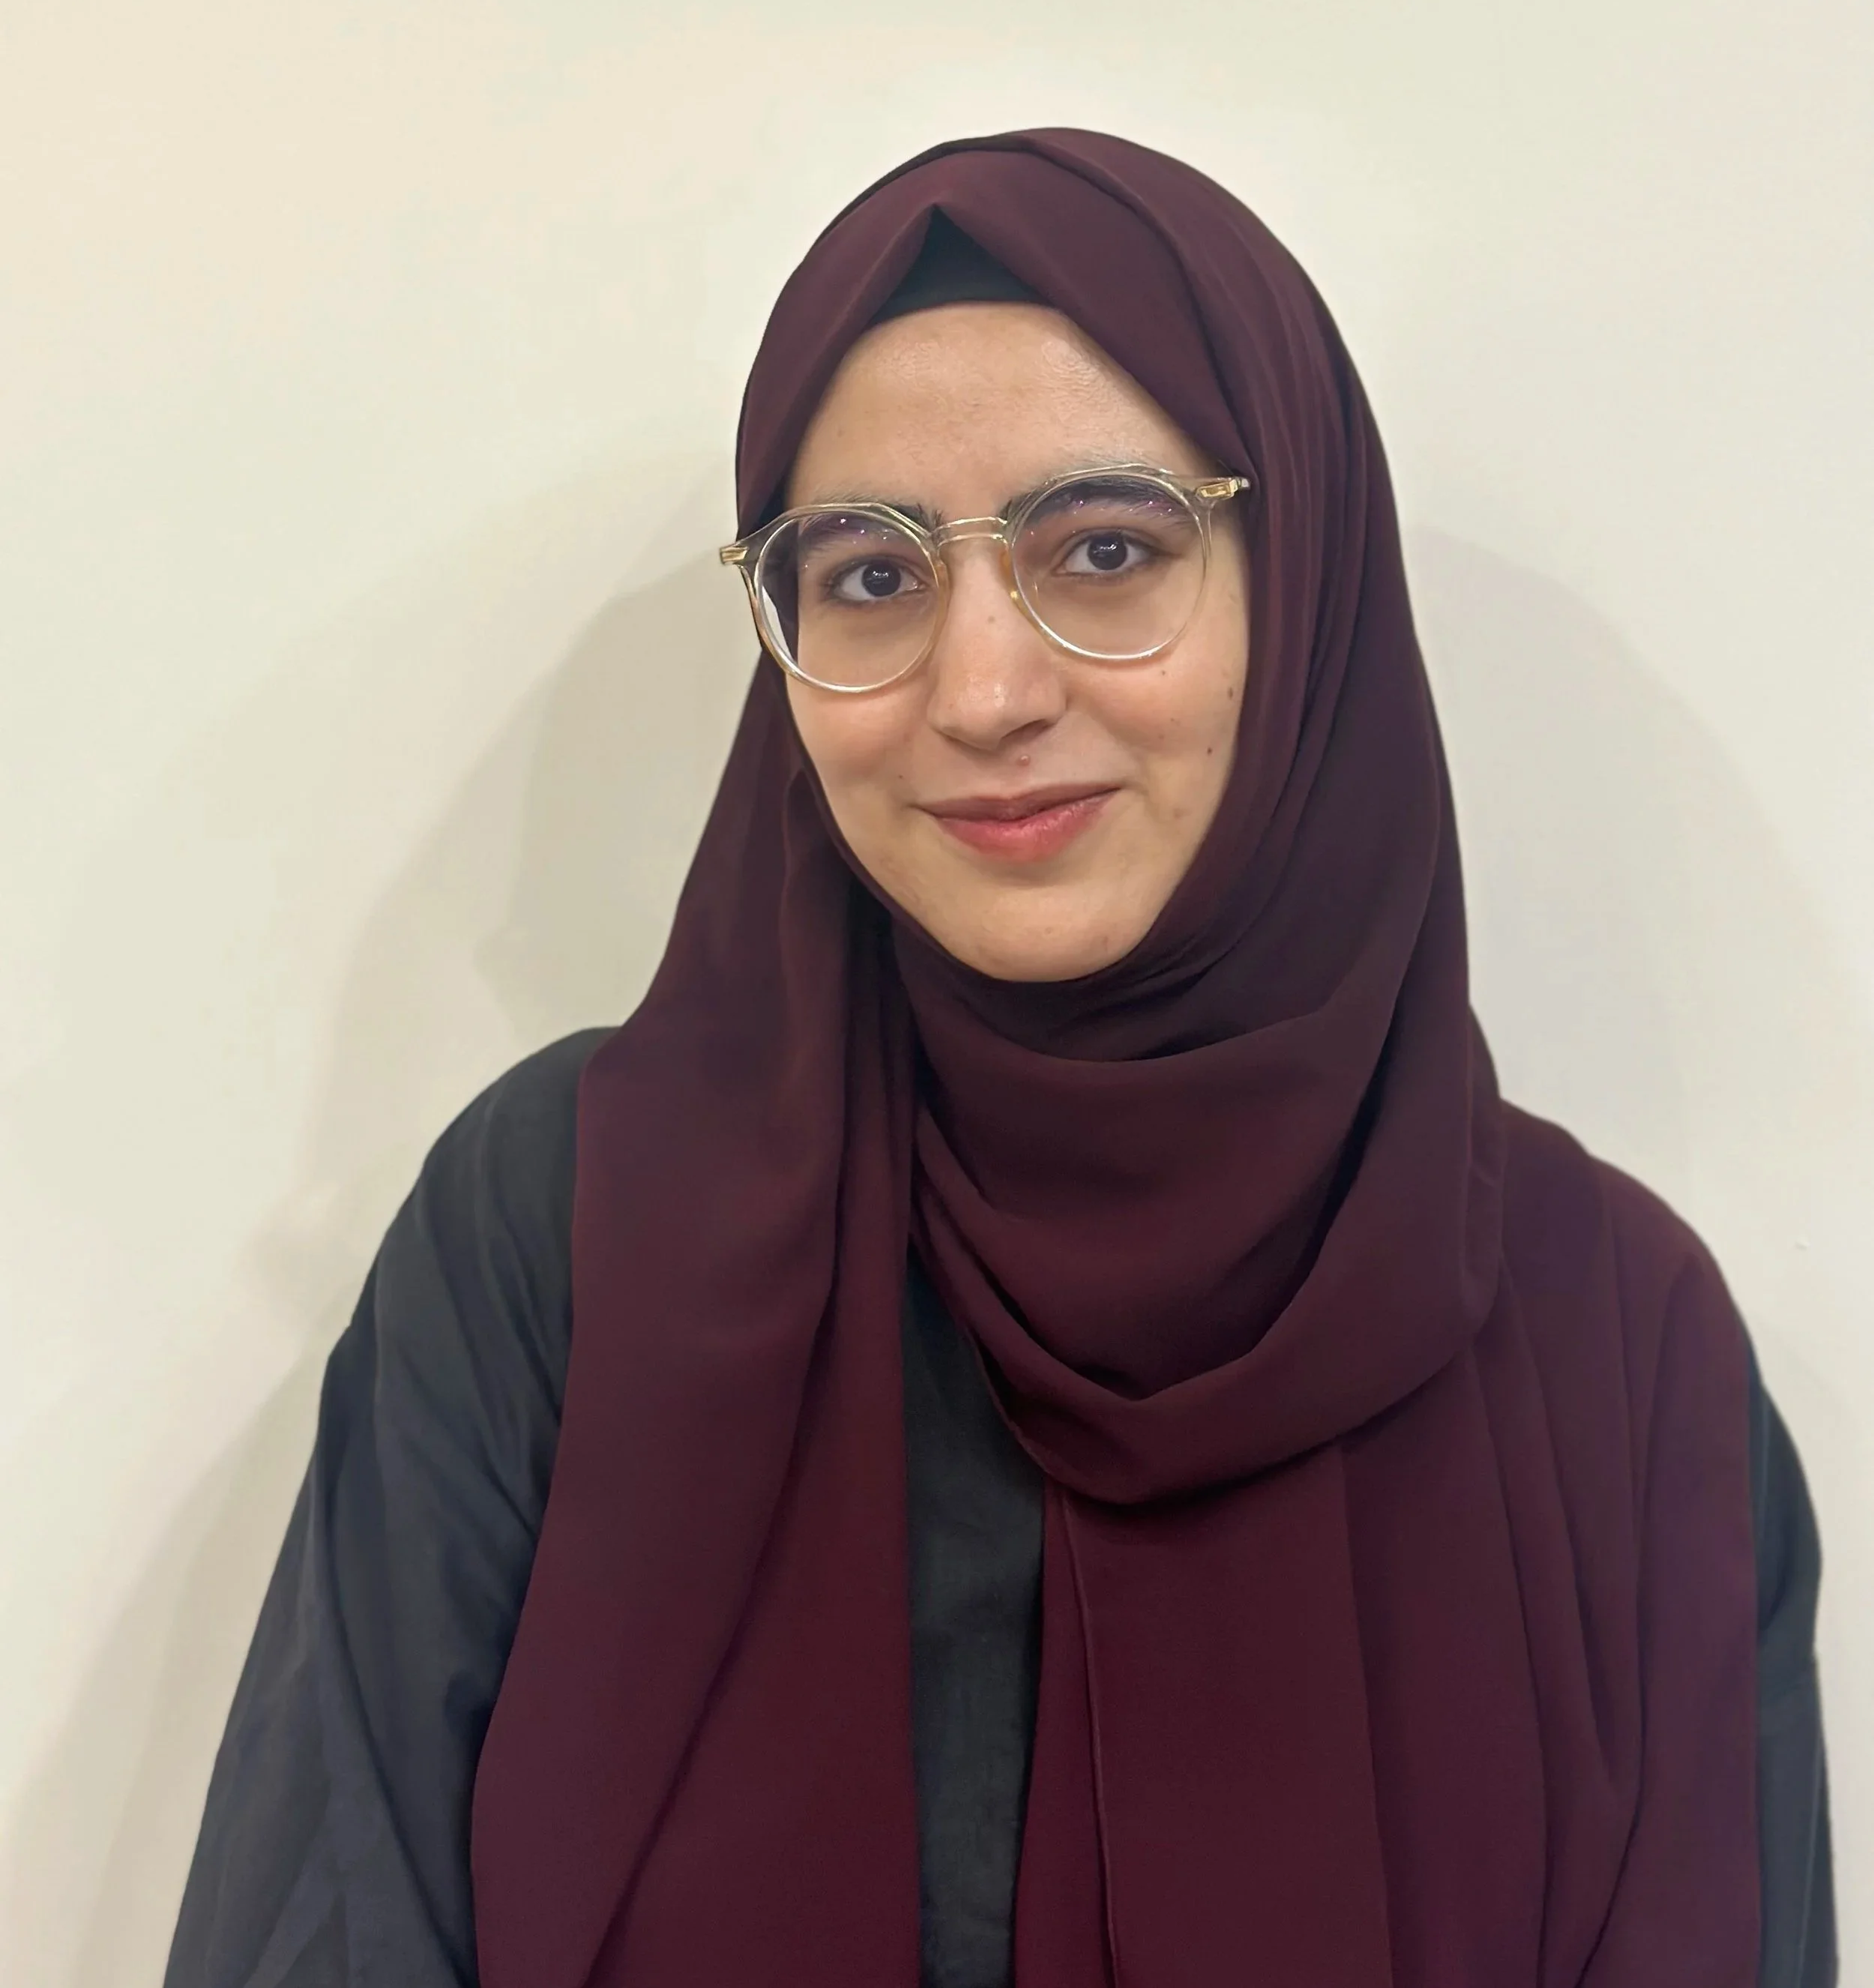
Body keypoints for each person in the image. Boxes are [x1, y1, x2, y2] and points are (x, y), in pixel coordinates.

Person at [166, 130, 1834, 1988]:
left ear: (1307, 595)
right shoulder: (562, 1235)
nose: (979, 691)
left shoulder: (1616, 1351)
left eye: (1104, 548)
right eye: (869, 577)